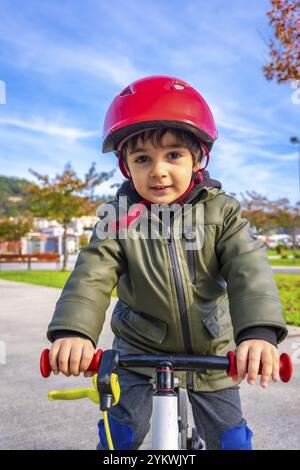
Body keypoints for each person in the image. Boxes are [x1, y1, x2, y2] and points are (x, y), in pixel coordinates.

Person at [46, 75, 288, 450]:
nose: (158, 170)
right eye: (142, 158)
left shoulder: (221, 212)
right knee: (117, 438)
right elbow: (91, 275)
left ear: (197, 160)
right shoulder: (118, 218)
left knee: (231, 441)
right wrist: (73, 333)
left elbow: (248, 268)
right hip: (138, 352)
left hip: (213, 350)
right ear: (127, 167)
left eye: (173, 154)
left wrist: (258, 333)